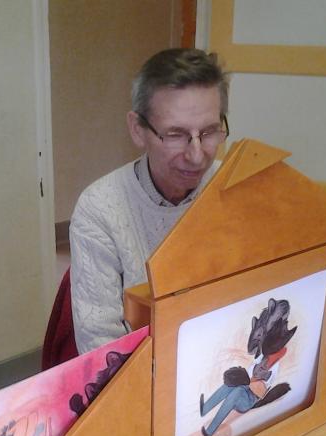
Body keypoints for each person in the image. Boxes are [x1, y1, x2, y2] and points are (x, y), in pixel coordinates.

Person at [69, 48, 230, 354]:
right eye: (175, 135)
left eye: (209, 132)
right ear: (137, 129)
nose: (197, 155)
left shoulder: (234, 186)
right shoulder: (100, 209)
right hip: (144, 366)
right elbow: (100, 347)